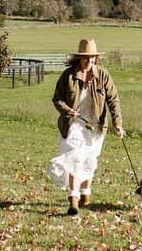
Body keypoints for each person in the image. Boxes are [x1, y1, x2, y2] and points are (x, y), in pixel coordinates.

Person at [49, 38, 124, 215]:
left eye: (92, 58)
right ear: (79, 58)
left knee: (90, 160)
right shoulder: (68, 75)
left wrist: (117, 123)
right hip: (73, 124)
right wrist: (67, 110)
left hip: (95, 125)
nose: (89, 61)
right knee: (75, 157)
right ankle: (73, 200)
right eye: (85, 58)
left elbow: (113, 101)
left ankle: (85, 196)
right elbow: (57, 99)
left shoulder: (103, 75)